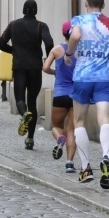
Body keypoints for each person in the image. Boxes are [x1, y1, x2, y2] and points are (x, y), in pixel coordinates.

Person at [65, 0, 109, 189]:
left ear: (86, 3)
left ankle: (86, 168)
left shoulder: (78, 20)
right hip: (104, 77)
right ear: (103, 5)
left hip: (82, 77)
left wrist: (69, 53)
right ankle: (106, 156)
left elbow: (76, 35)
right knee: (104, 118)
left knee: (79, 121)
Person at [0, 0, 54, 150]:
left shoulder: (13, 24)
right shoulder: (41, 26)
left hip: (19, 66)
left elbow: (0, 43)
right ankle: (30, 138)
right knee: (32, 102)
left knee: (20, 99)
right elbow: (49, 42)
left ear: (23, 9)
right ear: (36, 10)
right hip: (35, 67)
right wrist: (48, 57)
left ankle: (23, 115)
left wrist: (14, 50)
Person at [42, 20, 77, 173]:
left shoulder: (57, 50)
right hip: (76, 95)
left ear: (63, 33)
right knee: (72, 131)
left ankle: (59, 138)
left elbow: (45, 67)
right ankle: (69, 163)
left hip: (60, 94)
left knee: (56, 126)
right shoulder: (80, 51)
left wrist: (55, 72)